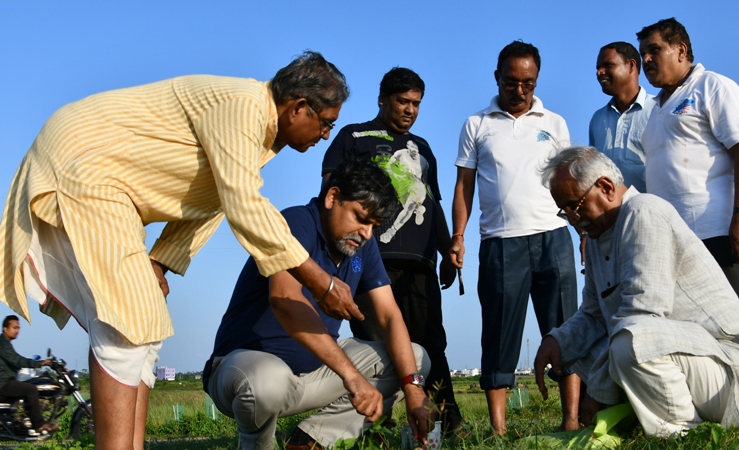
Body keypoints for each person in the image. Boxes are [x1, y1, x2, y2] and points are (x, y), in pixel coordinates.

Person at [0, 51, 359, 450]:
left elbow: (207, 200)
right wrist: (321, 282)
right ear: (298, 107)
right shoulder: (242, 107)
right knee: (126, 326)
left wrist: (161, 262)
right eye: (325, 123)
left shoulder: (258, 138)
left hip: (109, 187)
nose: (326, 135)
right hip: (84, 165)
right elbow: (243, 204)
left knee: (146, 329)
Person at [533, 146, 739, 437]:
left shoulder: (644, 211)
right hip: (685, 361)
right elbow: (595, 314)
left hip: (732, 370)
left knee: (628, 340)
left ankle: (686, 433)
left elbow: (642, 315)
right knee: (583, 350)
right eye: (565, 212)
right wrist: (557, 341)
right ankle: (657, 423)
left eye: (575, 206)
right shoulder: (597, 239)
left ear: (606, 187)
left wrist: (596, 394)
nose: (573, 220)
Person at [204, 159, 435, 450]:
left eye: (374, 226)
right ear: (333, 197)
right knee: (267, 380)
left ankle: (311, 440)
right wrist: (352, 377)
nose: (366, 233)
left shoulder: (362, 246)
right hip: (246, 370)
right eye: (361, 218)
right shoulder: (297, 223)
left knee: (415, 358)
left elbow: (389, 315)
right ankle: (255, 444)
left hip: (315, 373)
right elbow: (284, 299)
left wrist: (413, 389)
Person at [321, 67, 461, 433]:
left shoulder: (424, 148)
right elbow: (329, 196)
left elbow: (434, 203)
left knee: (430, 343)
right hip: (368, 260)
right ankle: (376, 428)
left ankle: (446, 423)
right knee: (373, 346)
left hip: (419, 263)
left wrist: (447, 251)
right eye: (402, 101)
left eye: (416, 103)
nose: (409, 110)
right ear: (383, 99)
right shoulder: (354, 136)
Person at [451, 40, 580, 434]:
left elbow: (572, 181)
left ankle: (572, 420)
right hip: (501, 242)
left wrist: (584, 230)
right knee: (499, 334)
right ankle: (498, 430)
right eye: (512, 82)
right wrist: (458, 234)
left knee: (567, 331)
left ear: (536, 80)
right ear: (497, 78)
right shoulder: (477, 124)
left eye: (529, 83)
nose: (520, 90)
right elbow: (463, 187)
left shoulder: (554, 123)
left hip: (554, 237)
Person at [637, 18, 739, 319]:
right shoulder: (656, 109)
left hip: (714, 233)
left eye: (654, 50)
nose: (646, 60)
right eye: (642, 55)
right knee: (689, 332)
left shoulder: (712, 86)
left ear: (681, 50)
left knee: (733, 327)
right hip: (671, 242)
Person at [589, 42, 656, 193]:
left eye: (608, 65)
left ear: (631, 65)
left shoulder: (658, 110)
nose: (600, 72)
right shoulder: (598, 119)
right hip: (611, 214)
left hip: (650, 211)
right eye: (598, 68)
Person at [0, 315, 56, 435]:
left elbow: (17, 360)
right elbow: (17, 360)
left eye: (18, 328)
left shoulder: (6, 343)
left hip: (5, 382)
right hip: (3, 384)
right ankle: (39, 424)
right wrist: (40, 363)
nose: (17, 330)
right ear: (5, 329)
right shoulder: (3, 344)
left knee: (27, 386)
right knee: (31, 389)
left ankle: (25, 424)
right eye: (14, 327)